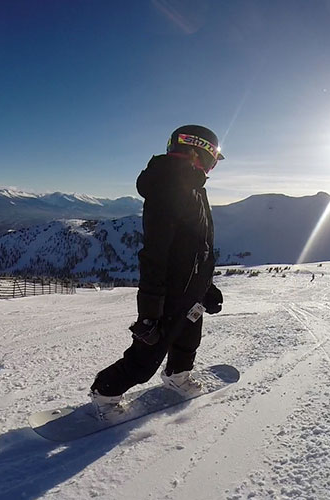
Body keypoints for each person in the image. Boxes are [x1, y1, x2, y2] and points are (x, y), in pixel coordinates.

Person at [89, 125, 225, 416]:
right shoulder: (169, 189)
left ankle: (178, 376)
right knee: (147, 355)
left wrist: (206, 286)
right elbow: (154, 254)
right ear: (197, 152)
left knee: (189, 338)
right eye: (213, 161)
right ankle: (105, 393)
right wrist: (150, 313)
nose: (213, 168)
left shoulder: (193, 188)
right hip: (170, 293)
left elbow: (201, 247)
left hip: (191, 290)